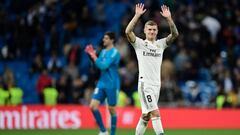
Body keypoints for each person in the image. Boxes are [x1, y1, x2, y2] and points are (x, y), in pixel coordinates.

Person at [125, 3, 179, 135]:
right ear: (144, 30)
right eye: (149, 29)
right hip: (145, 84)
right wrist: (137, 15)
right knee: (155, 112)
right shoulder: (139, 44)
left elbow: (175, 34)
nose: (152, 32)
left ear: (157, 31)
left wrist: (169, 19)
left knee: (146, 116)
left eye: (154, 29)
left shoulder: (161, 44)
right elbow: (127, 32)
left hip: (156, 85)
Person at [85, 32, 121, 135]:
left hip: (111, 84)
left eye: (106, 38)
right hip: (102, 83)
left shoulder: (115, 53)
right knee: (92, 106)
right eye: (104, 38)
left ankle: (113, 133)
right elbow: (96, 67)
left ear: (112, 40)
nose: (103, 40)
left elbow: (104, 66)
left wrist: (94, 56)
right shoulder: (103, 52)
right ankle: (103, 131)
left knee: (111, 109)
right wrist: (91, 57)